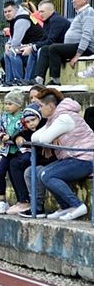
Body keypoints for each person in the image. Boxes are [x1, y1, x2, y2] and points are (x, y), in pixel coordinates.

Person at [31, 87, 94, 220]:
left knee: (46, 175)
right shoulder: (54, 119)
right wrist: (50, 134)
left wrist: (50, 135)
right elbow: (34, 137)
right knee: (39, 171)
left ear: (51, 106)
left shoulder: (64, 118)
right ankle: (65, 207)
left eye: (41, 106)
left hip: (85, 159)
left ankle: (77, 205)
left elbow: (43, 139)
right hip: (72, 158)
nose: (39, 110)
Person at [33, 0, 94, 86]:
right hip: (74, 46)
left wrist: (77, 56)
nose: (72, 1)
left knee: (54, 48)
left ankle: (55, 80)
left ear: (85, 0)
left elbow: (86, 36)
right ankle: (38, 79)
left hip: (86, 48)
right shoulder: (80, 13)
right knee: (45, 49)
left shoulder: (89, 12)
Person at [13, 103, 56, 218]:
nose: (31, 123)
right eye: (28, 122)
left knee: (38, 173)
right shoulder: (31, 130)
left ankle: (37, 207)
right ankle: (37, 207)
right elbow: (22, 133)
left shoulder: (46, 125)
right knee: (28, 172)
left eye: (33, 119)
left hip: (54, 161)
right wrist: (17, 136)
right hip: (42, 163)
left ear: (39, 117)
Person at [0, 89, 29, 214]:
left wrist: (12, 137)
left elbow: (24, 131)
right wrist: (2, 135)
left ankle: (22, 200)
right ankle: (2, 201)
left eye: (10, 104)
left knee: (15, 175)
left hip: (19, 151)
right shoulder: (4, 117)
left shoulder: (24, 117)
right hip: (7, 151)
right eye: (6, 104)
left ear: (18, 105)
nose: (7, 106)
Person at [19, 0, 70, 81]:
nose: (40, 14)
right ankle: (29, 79)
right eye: (39, 12)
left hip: (62, 48)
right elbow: (43, 40)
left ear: (51, 11)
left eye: (42, 11)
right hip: (54, 47)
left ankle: (38, 79)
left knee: (40, 50)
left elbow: (51, 41)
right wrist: (31, 45)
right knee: (34, 50)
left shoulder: (56, 20)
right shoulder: (47, 21)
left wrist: (33, 47)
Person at [2, 1, 44, 85]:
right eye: (5, 12)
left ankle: (19, 80)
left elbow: (16, 42)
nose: (7, 14)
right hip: (27, 46)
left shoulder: (22, 19)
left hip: (36, 46)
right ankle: (9, 81)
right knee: (6, 54)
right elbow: (12, 39)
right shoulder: (15, 19)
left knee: (13, 52)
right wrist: (7, 44)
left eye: (9, 11)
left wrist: (10, 46)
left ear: (16, 10)